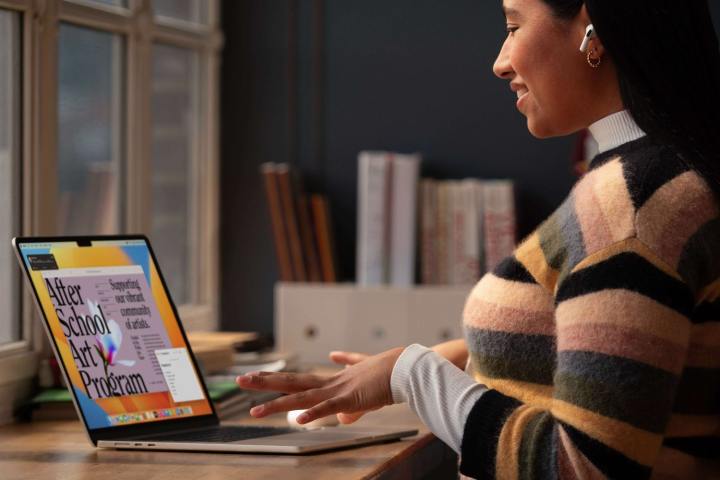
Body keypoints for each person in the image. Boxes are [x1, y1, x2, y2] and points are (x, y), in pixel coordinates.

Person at [237, 0, 720, 477]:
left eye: (513, 26)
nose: (500, 62)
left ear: (589, 28)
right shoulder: (655, 178)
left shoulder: (632, 205)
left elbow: (584, 466)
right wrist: (449, 357)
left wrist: (411, 375)